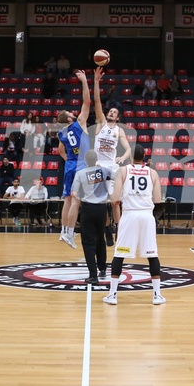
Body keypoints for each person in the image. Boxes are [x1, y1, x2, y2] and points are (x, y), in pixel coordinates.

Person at [103, 144, 165, 305]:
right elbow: (158, 200)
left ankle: (113, 295)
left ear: (131, 158)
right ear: (144, 157)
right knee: (152, 255)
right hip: (146, 215)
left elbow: (115, 198)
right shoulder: (153, 173)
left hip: (130, 215)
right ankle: (157, 295)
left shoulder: (123, 171)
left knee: (120, 253)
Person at [92, 65, 132, 246]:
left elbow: (129, 149)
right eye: (111, 111)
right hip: (99, 166)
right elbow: (98, 102)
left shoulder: (119, 131)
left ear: (118, 118)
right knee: (101, 204)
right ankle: (107, 229)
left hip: (113, 168)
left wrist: (123, 158)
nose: (111, 112)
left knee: (115, 203)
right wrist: (96, 81)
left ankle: (119, 229)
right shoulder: (101, 123)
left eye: (115, 112)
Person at [57, 69, 92, 249]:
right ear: (70, 117)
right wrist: (84, 81)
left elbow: (59, 150)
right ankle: (70, 233)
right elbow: (87, 101)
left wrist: (69, 158)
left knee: (67, 200)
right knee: (76, 201)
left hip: (70, 164)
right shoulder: (79, 122)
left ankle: (64, 231)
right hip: (80, 165)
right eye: (70, 112)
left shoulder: (61, 133)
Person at [72, 150, 112, 284]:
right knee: (100, 238)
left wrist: (81, 199)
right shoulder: (104, 171)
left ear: (85, 160)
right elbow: (117, 177)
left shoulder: (80, 173)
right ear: (96, 160)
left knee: (88, 242)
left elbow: (74, 193)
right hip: (101, 209)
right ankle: (102, 268)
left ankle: (93, 275)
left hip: (88, 208)